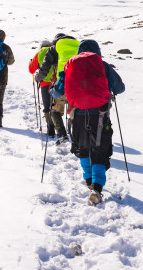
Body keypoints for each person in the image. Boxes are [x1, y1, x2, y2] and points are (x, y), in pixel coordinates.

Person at [62, 39, 124, 205]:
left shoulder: (71, 66)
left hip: (78, 116)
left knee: (83, 149)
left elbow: (58, 89)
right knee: (100, 151)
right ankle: (96, 187)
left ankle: (89, 181)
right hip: (101, 116)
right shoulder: (103, 65)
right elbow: (120, 88)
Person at [34, 33, 78, 145]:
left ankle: (62, 135)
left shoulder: (54, 48)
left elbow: (44, 68)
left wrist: (38, 77)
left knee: (54, 110)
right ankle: (78, 136)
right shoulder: (79, 46)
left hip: (62, 85)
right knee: (78, 111)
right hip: (78, 87)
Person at [29, 40, 57, 137]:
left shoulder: (39, 53)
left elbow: (31, 69)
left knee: (47, 106)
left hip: (45, 83)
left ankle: (51, 130)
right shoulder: (55, 50)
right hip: (57, 82)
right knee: (56, 106)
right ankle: (61, 130)